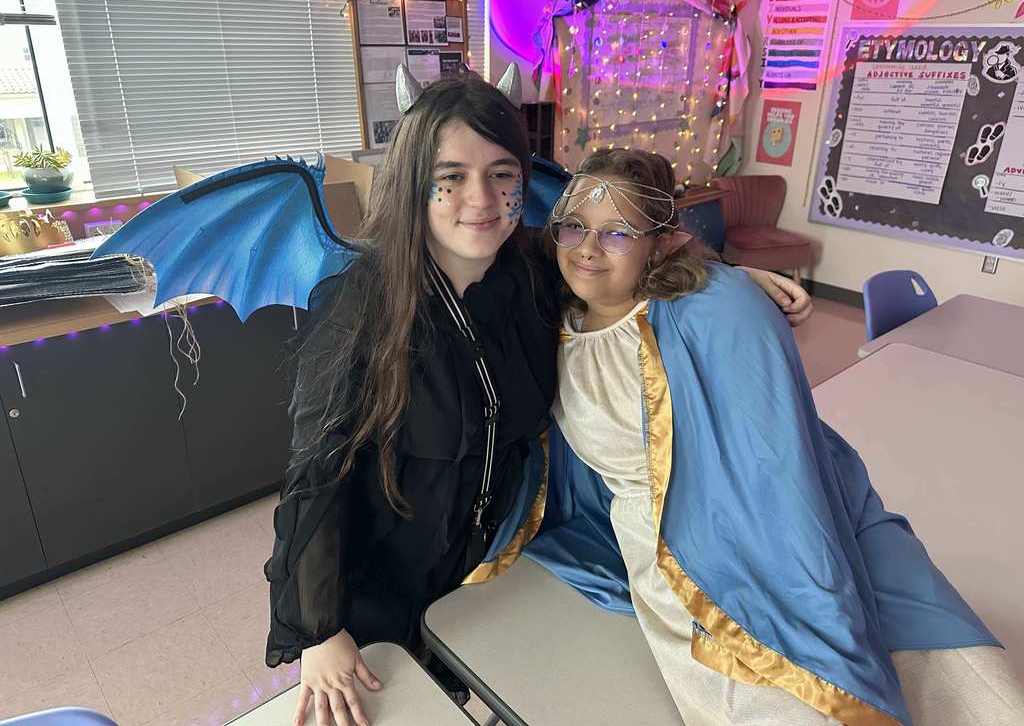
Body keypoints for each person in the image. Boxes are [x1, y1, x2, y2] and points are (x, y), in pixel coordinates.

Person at [264, 70, 814, 726]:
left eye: (502, 173)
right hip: (381, 586)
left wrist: (721, 277)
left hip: (496, 566)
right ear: (414, 180)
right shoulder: (359, 306)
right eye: (451, 176)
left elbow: (620, 265)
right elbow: (315, 475)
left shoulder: (530, 271)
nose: (482, 199)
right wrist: (319, 630)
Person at [526, 148, 1024, 725]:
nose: (588, 247)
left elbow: (774, 451)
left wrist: (728, 282)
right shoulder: (548, 318)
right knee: (771, 697)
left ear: (662, 242)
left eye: (618, 232)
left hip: (752, 519)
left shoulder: (707, 311)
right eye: (576, 227)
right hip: (664, 545)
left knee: (923, 651)